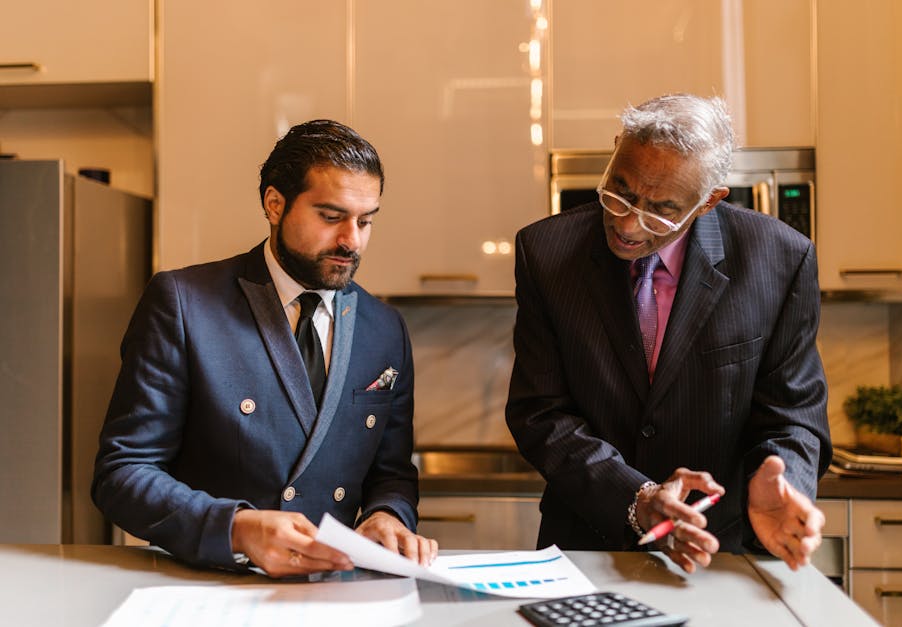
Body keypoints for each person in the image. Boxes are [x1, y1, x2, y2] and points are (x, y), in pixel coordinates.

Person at [93, 119, 437, 577]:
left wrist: (388, 515)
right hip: (212, 584)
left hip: (336, 591)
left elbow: (391, 472)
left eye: (366, 220)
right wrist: (236, 528)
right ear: (275, 204)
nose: (351, 241)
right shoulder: (183, 302)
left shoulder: (386, 328)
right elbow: (123, 472)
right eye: (331, 217)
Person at [506, 94, 832, 574]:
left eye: (660, 211)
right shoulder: (545, 253)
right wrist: (637, 497)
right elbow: (541, 413)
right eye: (619, 191)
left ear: (708, 202)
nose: (627, 224)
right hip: (586, 546)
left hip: (722, 550)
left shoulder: (782, 260)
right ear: (617, 149)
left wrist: (781, 478)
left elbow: (795, 415)